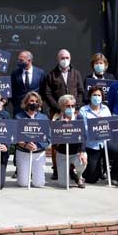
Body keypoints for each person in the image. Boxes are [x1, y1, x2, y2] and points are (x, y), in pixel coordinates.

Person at [43, 49, 84, 180]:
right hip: (57, 112)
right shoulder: (51, 75)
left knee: (72, 138)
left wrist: (75, 107)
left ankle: (71, 169)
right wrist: (58, 108)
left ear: (70, 58)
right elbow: (47, 94)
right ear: (58, 59)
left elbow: (81, 91)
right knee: (57, 141)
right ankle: (56, 169)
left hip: (73, 111)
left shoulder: (76, 73)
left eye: (67, 57)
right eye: (62, 58)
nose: (64, 60)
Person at [78, 87, 118, 185]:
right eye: (94, 95)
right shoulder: (83, 110)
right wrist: (95, 124)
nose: (97, 97)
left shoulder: (106, 109)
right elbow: (83, 128)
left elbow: (111, 124)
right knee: (91, 179)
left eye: (99, 95)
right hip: (92, 144)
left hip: (106, 140)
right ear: (90, 97)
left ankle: (113, 176)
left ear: (102, 97)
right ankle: (98, 170)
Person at [14, 91, 49, 188]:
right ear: (26, 103)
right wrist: (25, 145)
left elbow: (48, 138)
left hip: (38, 154)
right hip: (23, 153)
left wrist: (37, 146)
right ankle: (24, 173)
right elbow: (15, 137)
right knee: (23, 184)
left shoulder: (44, 118)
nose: (33, 103)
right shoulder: (18, 117)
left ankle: (35, 173)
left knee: (39, 184)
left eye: (36, 101)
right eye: (31, 101)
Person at [52, 95, 87, 188]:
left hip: (76, 153)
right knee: (63, 184)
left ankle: (79, 176)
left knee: (82, 163)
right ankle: (71, 172)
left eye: (72, 106)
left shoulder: (79, 117)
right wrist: (61, 126)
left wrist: (82, 151)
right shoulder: (56, 118)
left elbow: (84, 135)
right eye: (67, 106)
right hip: (63, 154)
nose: (70, 108)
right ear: (62, 107)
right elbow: (54, 142)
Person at [10, 50, 46, 116]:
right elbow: (12, 91)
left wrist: (38, 103)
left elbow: (43, 91)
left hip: (35, 110)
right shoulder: (15, 73)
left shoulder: (40, 73)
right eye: (19, 60)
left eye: (21, 60)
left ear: (29, 60)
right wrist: (16, 104)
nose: (19, 62)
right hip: (19, 110)